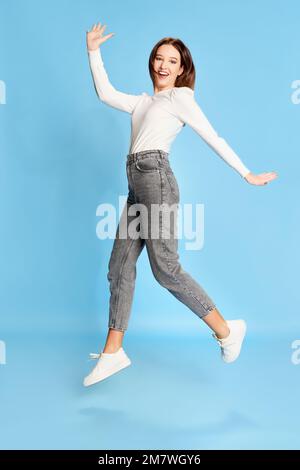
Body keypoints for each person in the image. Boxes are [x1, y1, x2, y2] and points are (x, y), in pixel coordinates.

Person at [83, 22, 278, 387]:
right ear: (152, 63)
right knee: (119, 266)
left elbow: (212, 136)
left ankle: (226, 330)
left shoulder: (180, 98)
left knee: (166, 269)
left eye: (172, 61)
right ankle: (113, 352)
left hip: (156, 178)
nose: (163, 65)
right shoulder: (144, 101)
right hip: (137, 182)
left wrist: (246, 173)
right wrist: (93, 51)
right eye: (159, 58)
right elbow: (105, 93)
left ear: (181, 68)